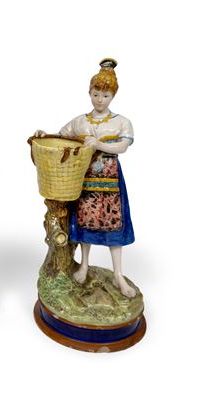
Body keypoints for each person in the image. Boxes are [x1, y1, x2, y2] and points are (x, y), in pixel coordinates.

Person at [36, 58, 136, 297]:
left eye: (105, 95)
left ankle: (118, 274)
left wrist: (100, 144)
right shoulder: (80, 121)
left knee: (114, 224)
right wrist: (43, 134)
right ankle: (83, 264)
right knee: (84, 221)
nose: (100, 100)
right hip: (85, 178)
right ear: (89, 92)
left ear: (113, 96)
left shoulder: (121, 122)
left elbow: (123, 146)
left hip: (110, 179)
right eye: (96, 94)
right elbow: (61, 136)